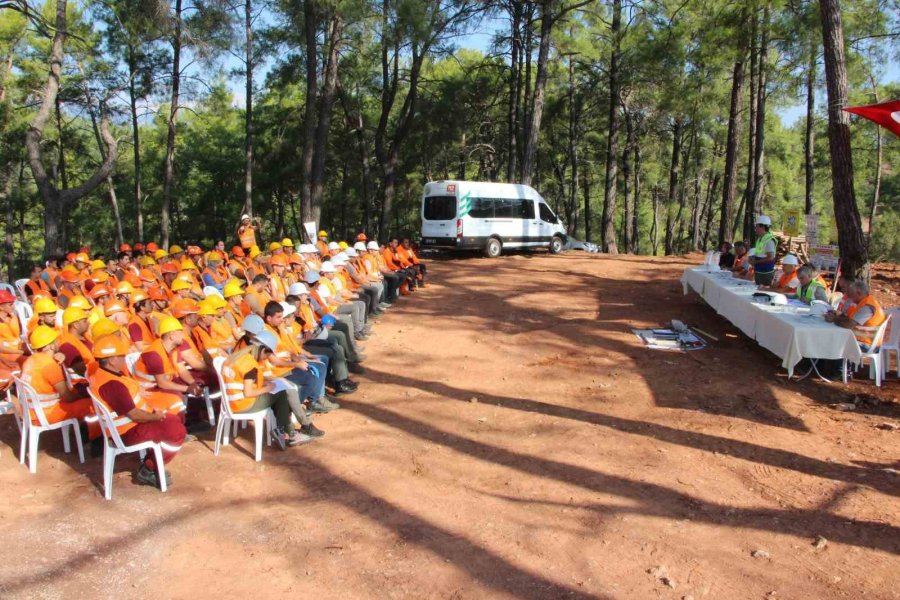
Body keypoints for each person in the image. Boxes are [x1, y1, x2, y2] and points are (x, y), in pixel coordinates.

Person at [90, 335, 186, 489]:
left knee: (172, 418)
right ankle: (149, 468)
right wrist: (155, 416)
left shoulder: (104, 374)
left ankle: (152, 463)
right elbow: (134, 415)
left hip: (129, 426)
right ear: (112, 360)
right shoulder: (112, 384)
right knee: (177, 431)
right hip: (127, 432)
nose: (124, 359)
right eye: (121, 356)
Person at [21, 325, 93, 426]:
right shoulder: (50, 365)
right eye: (56, 340)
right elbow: (68, 397)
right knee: (92, 405)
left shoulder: (30, 360)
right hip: (48, 414)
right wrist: (82, 397)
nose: (59, 342)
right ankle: (93, 438)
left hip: (31, 413)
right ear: (50, 346)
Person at [825, 280, 887, 351]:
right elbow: (850, 319)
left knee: (833, 341)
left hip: (866, 343)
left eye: (851, 294)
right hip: (859, 339)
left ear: (859, 293)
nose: (849, 297)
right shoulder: (863, 302)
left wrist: (834, 319)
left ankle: (831, 361)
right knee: (832, 338)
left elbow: (849, 324)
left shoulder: (867, 307)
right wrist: (837, 316)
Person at [748, 216, 777, 286]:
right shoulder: (760, 239)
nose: (755, 229)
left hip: (766, 273)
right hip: (759, 271)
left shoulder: (769, 240)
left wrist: (756, 261)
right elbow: (760, 253)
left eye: (757, 227)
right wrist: (753, 258)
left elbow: (770, 257)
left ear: (763, 227)